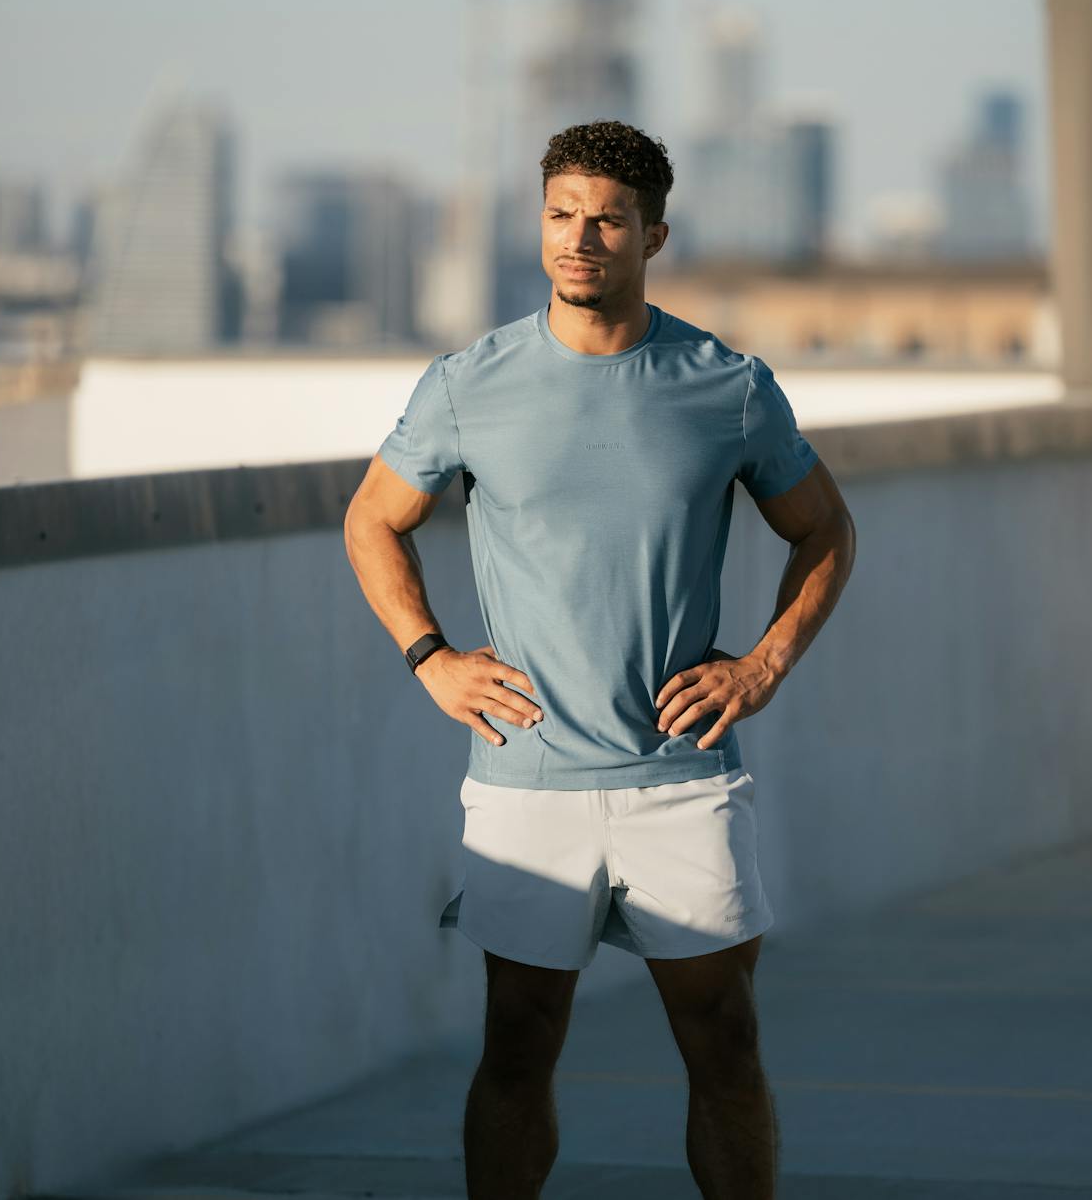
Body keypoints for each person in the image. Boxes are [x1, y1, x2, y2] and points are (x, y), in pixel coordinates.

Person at [343, 119, 856, 1200]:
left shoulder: (727, 384)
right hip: (526, 776)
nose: (580, 239)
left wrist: (759, 667)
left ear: (652, 234)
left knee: (724, 1044)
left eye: (607, 220)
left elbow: (824, 528)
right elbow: (371, 521)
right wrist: (429, 656)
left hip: (679, 777)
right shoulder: (465, 382)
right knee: (516, 1044)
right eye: (560, 215)